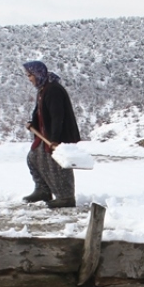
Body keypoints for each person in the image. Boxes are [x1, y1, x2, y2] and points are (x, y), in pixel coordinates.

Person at [21, 60, 81, 208]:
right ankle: (43, 190)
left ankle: (66, 197)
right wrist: (32, 123)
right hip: (46, 135)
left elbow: (57, 116)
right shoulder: (43, 89)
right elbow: (40, 113)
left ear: (38, 74)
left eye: (30, 75)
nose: (29, 79)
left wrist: (55, 139)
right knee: (33, 157)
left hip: (58, 136)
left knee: (57, 165)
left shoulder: (53, 90)